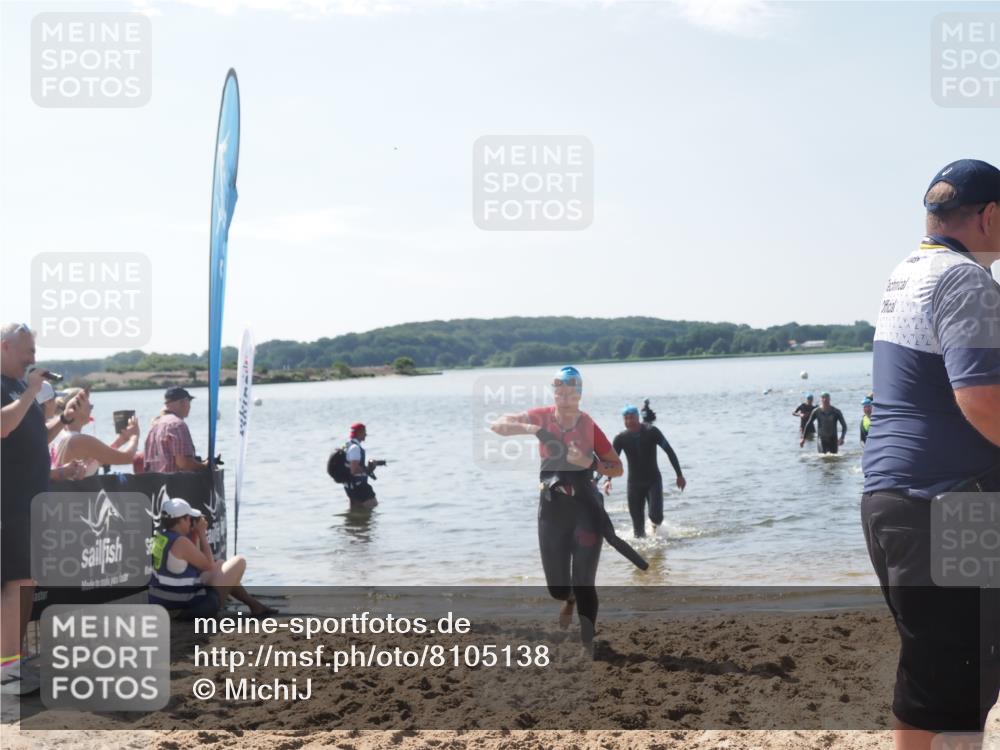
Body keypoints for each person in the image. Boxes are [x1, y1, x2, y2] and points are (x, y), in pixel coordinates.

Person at [862, 158, 1000, 746]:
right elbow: (982, 399)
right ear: (990, 218)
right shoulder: (965, 280)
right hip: (946, 502)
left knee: (949, 679)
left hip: (896, 500)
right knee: (950, 683)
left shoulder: (910, 272)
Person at [491, 366, 624, 646]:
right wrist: (533, 429)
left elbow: (617, 469)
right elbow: (498, 426)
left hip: (586, 510)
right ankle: (569, 599)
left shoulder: (588, 425)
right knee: (558, 588)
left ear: (578, 393)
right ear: (554, 392)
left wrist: (591, 463)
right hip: (553, 510)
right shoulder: (541, 416)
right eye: (558, 389)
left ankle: (587, 638)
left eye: (570, 390)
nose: (563, 395)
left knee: (585, 582)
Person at [0, 324, 60, 694]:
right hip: (10, 502)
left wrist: (64, 420)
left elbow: (35, 437)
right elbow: (4, 427)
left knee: (24, 583)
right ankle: (7, 672)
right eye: (27, 351)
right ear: (5, 347)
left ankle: (12, 664)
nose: (33, 358)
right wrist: (35, 390)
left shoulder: (21, 387)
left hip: (31, 501)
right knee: (15, 584)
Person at [148, 497, 276, 619]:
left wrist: (196, 536)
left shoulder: (161, 537)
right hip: (184, 608)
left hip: (164, 603)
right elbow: (208, 565)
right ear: (182, 520)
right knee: (239, 561)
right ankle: (254, 605)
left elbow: (199, 568)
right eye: (189, 518)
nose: (191, 521)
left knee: (220, 564)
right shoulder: (181, 542)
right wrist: (202, 534)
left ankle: (254, 605)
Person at [605, 404, 686, 538]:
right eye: (625, 418)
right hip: (634, 484)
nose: (628, 421)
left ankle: (655, 528)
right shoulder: (620, 438)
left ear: (638, 418)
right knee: (638, 531)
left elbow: (669, 451)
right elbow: (612, 461)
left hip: (653, 481)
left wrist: (679, 475)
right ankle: (645, 555)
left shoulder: (651, 431)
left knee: (656, 516)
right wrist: (608, 480)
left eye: (631, 417)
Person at [50, 388, 140, 477]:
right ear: (76, 407)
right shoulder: (80, 440)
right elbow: (127, 458)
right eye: (90, 406)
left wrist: (121, 440)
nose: (91, 409)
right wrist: (134, 436)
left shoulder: (55, 433)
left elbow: (98, 458)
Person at [144, 387, 207, 473]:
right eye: (189, 401)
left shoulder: (154, 426)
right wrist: (205, 466)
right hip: (175, 484)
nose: (189, 405)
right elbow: (183, 463)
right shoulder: (177, 425)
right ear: (183, 402)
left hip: (156, 484)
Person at [343, 422, 381, 510]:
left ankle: (355, 523)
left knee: (356, 511)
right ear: (359, 433)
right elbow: (354, 469)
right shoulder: (355, 448)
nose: (366, 434)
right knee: (373, 505)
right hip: (359, 486)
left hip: (350, 486)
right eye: (364, 432)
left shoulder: (347, 446)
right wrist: (368, 469)